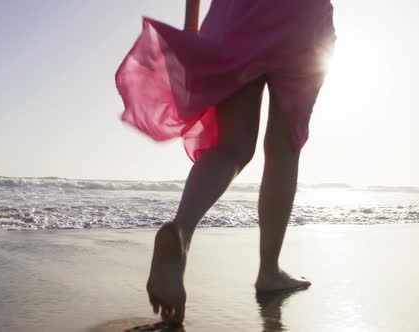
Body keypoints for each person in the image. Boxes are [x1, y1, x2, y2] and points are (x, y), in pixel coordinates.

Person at [115, 0, 336, 327]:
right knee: (283, 149)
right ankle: (269, 270)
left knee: (231, 147)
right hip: (302, 17)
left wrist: (192, 28)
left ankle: (181, 231)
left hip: (236, 15)